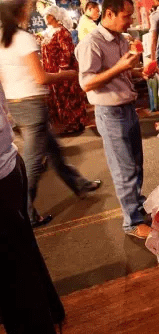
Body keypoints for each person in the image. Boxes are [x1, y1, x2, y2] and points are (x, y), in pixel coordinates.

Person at [0, 0, 100, 228]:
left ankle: (80, 184)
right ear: (19, 12)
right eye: (27, 8)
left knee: (53, 151)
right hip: (32, 103)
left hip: (17, 103)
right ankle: (26, 213)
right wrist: (67, 75)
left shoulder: (3, 39)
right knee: (33, 161)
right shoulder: (22, 38)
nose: (30, 12)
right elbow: (41, 77)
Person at [0, 17, 65, 331]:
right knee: (20, 268)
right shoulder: (17, 38)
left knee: (17, 276)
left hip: (5, 162)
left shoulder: (16, 38)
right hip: (8, 158)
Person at [76, 0, 150, 239]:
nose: (130, 21)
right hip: (109, 113)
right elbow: (86, 83)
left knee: (136, 163)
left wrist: (140, 72)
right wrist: (120, 67)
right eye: (126, 16)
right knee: (124, 168)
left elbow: (120, 74)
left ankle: (137, 204)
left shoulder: (120, 39)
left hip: (128, 108)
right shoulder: (91, 43)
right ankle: (132, 222)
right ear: (109, 14)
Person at [41, 5, 89, 134]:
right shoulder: (48, 32)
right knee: (57, 99)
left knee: (68, 98)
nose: (45, 18)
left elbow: (67, 53)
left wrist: (62, 71)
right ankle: (62, 125)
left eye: (47, 15)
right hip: (51, 73)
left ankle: (73, 124)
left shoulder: (62, 33)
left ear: (54, 17)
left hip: (62, 73)